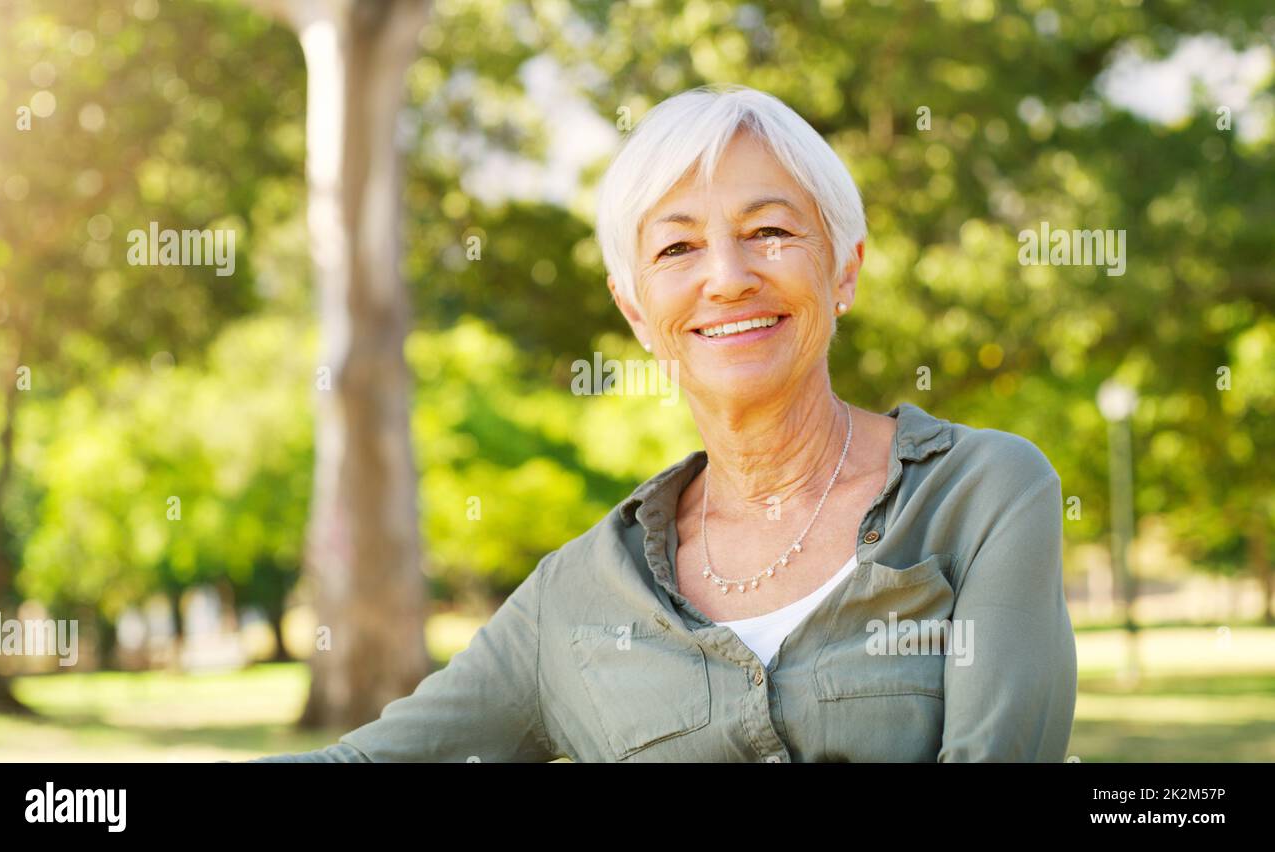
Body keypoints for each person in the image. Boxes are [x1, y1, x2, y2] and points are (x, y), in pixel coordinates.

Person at [252, 84, 1077, 763]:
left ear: (844, 270)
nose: (727, 277)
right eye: (677, 249)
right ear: (637, 311)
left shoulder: (985, 493)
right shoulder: (572, 600)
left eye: (770, 232)